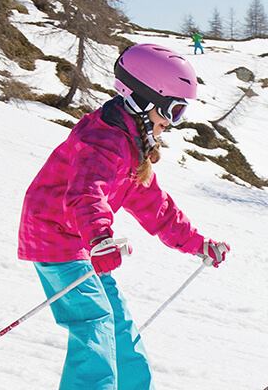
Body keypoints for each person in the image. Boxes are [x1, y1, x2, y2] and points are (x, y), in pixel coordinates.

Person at [17, 43, 230, 390]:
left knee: (118, 324)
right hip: (54, 234)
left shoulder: (133, 144)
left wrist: (198, 244)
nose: (172, 123)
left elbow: (156, 207)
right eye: (173, 110)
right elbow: (86, 191)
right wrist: (100, 237)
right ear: (145, 99)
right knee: (94, 322)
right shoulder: (102, 139)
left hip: (86, 241)